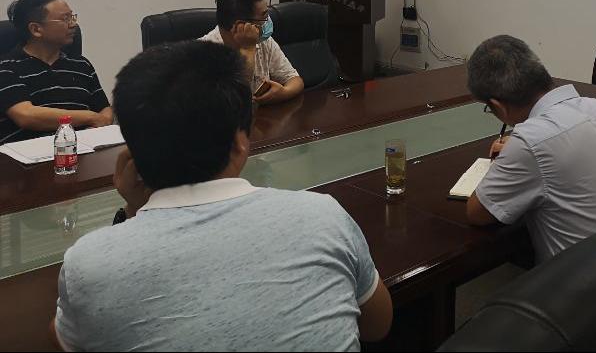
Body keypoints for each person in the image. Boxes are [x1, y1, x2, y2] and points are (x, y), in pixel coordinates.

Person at [52, 41, 392, 351]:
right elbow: (378, 326)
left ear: (131, 155)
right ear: (240, 144)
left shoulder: (89, 264)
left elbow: (69, 341)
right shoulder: (324, 217)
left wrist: (133, 211)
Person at [465, 35, 596, 263]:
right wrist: (520, 150)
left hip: (594, 282)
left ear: (498, 106)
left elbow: (478, 213)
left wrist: (515, 154)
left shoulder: (530, 142)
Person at [0, 0, 112, 144]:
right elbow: (26, 115)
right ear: (36, 29)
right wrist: (89, 117)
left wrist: (100, 124)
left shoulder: (81, 64)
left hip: (85, 147)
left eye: (72, 17)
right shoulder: (6, 67)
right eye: (65, 19)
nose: (73, 24)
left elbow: (104, 109)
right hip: (30, 153)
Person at [201, 0, 304, 105]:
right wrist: (248, 48)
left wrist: (284, 92)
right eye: (264, 16)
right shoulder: (202, 54)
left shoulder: (264, 41)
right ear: (241, 25)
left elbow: (294, 79)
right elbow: (233, 102)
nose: (268, 21)